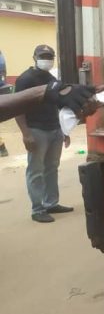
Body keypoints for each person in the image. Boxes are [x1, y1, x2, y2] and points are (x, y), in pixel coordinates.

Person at [14, 45, 84, 223]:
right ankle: (37, 209)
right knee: (36, 170)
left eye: (49, 56)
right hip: (36, 130)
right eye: (43, 56)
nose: (46, 59)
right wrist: (26, 133)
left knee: (51, 168)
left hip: (54, 129)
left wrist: (64, 130)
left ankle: (51, 203)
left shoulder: (52, 78)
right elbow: (17, 108)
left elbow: (59, 105)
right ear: (34, 57)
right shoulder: (25, 79)